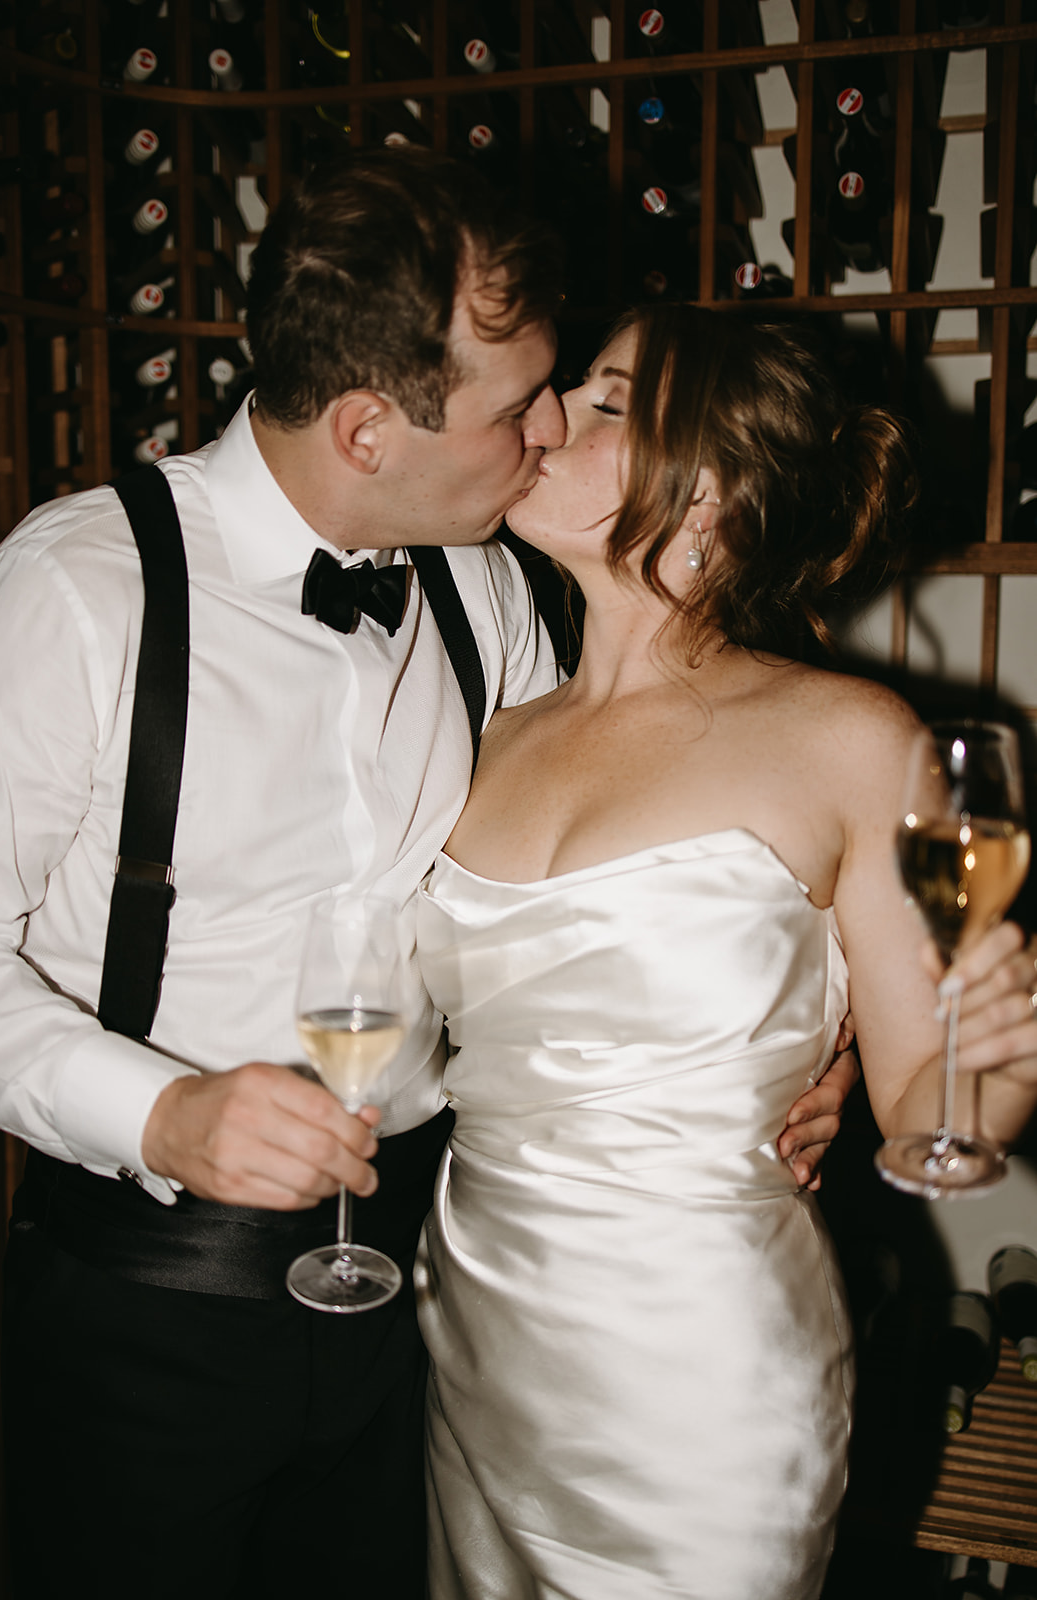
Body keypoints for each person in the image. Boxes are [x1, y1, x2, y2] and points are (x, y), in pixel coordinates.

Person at [0, 151, 846, 1597]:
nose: (553, 431)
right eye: (521, 406)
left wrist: (823, 1033)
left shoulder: (484, 584)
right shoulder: (72, 597)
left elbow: (641, 859)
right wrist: (164, 1111)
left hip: (426, 1312)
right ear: (370, 426)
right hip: (152, 1314)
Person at [413, 302, 1037, 1600]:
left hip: (703, 1367)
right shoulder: (481, 730)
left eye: (602, 402)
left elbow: (928, 1119)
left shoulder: (855, 740)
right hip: (475, 1326)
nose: (548, 420)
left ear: (713, 494)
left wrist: (1002, 1058)